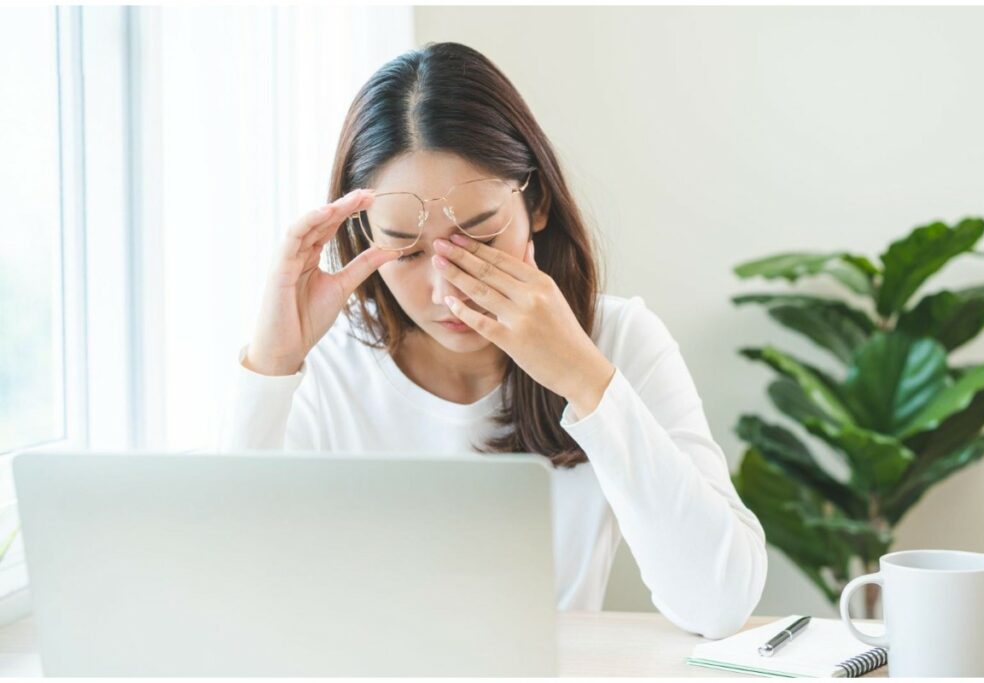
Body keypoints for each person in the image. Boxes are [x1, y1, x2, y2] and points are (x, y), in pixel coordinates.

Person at [219, 41, 766, 639]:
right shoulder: (322, 366)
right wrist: (272, 365)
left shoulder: (618, 340)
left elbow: (717, 602)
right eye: (404, 246)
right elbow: (222, 592)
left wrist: (585, 379)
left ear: (536, 205)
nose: (444, 288)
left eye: (477, 236)